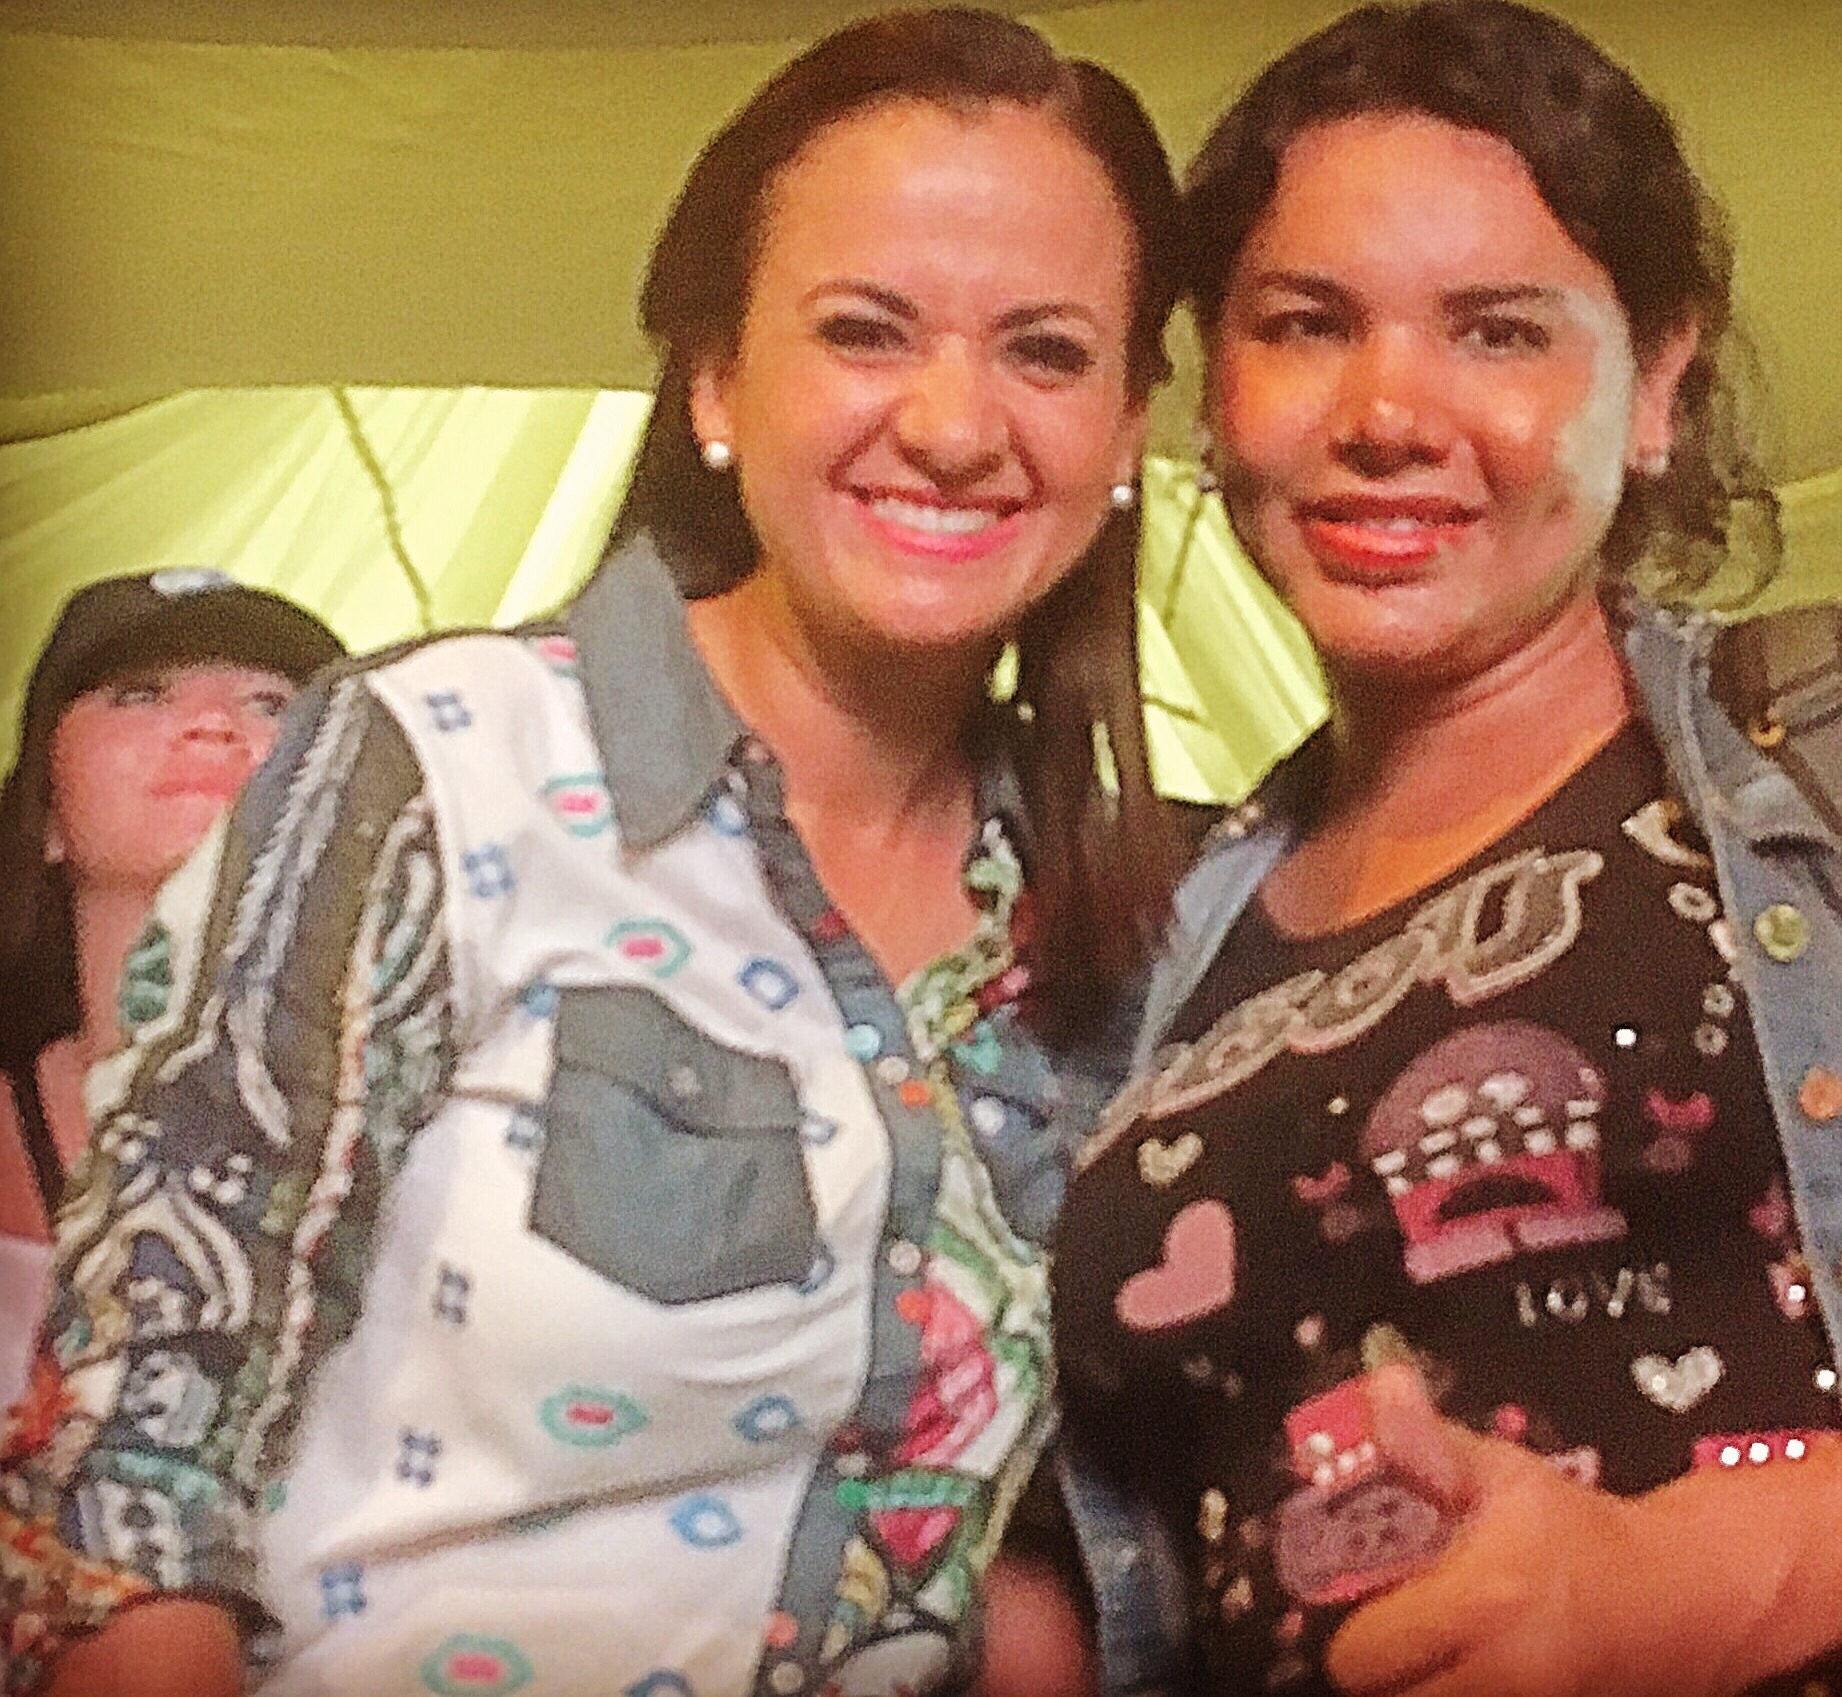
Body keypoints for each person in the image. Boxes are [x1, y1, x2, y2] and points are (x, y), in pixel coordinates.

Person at [0, 11, 1183, 1695]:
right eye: (864, 331)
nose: (951, 421)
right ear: (715, 380)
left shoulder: (1131, 923)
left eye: (1045, 353)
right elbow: (132, 1489)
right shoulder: (433, 763)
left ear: (1131, 425)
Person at [1052, 4, 1842, 1694]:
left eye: (1498, 331)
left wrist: (1687, 1585)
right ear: (1214, 389)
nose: (1386, 411)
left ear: (1656, 387)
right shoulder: (1145, 961)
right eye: (1307, 324)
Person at [0, 570, 344, 1399]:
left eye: (270, 703)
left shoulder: (435, 1121)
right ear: (45, 816)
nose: (214, 723)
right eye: (140, 693)